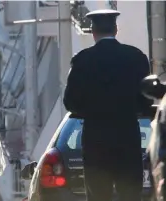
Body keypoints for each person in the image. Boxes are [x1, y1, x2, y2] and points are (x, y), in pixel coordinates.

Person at [63, 9, 153, 201]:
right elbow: (146, 100)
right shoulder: (136, 57)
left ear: (93, 31)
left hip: (96, 141)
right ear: (116, 29)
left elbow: (70, 102)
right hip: (127, 137)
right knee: (130, 195)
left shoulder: (82, 61)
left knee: (98, 195)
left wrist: (91, 111)